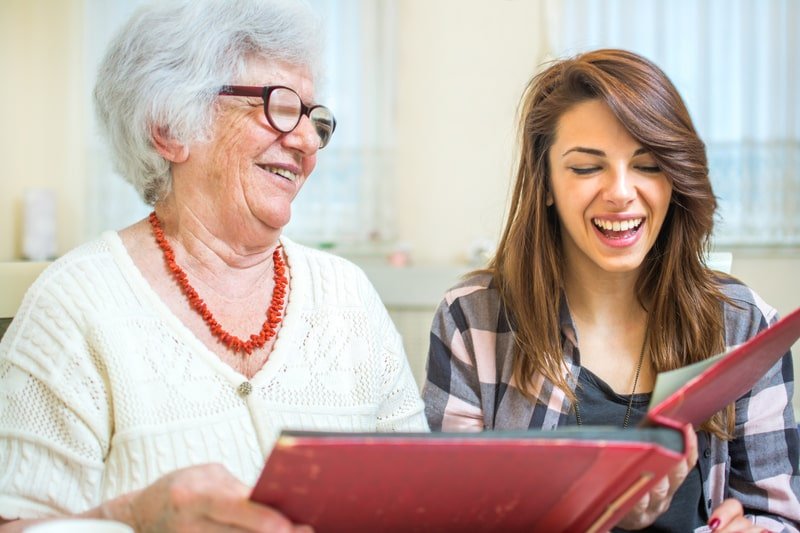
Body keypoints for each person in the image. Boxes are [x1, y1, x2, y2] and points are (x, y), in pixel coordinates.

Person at [0, 0, 427, 530]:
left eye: (316, 120)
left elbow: (420, 496)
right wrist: (132, 516)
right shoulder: (75, 306)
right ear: (168, 130)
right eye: (279, 106)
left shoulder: (348, 296)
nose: (307, 141)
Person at [422, 49, 799, 532]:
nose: (621, 192)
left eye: (647, 165)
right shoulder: (473, 319)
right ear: (547, 184)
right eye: (585, 168)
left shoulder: (744, 324)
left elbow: (778, 513)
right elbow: (447, 517)